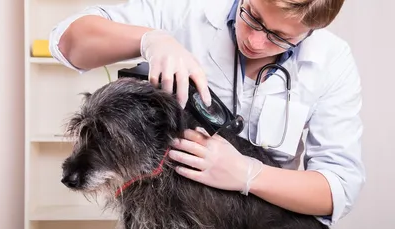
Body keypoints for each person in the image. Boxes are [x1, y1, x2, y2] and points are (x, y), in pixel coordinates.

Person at [49, 0, 366, 226]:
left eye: (280, 37)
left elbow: (337, 189)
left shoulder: (332, 60)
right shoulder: (187, 9)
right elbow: (69, 41)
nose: (254, 41)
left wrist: (248, 174)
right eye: (252, 16)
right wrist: (150, 39)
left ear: (311, 31)